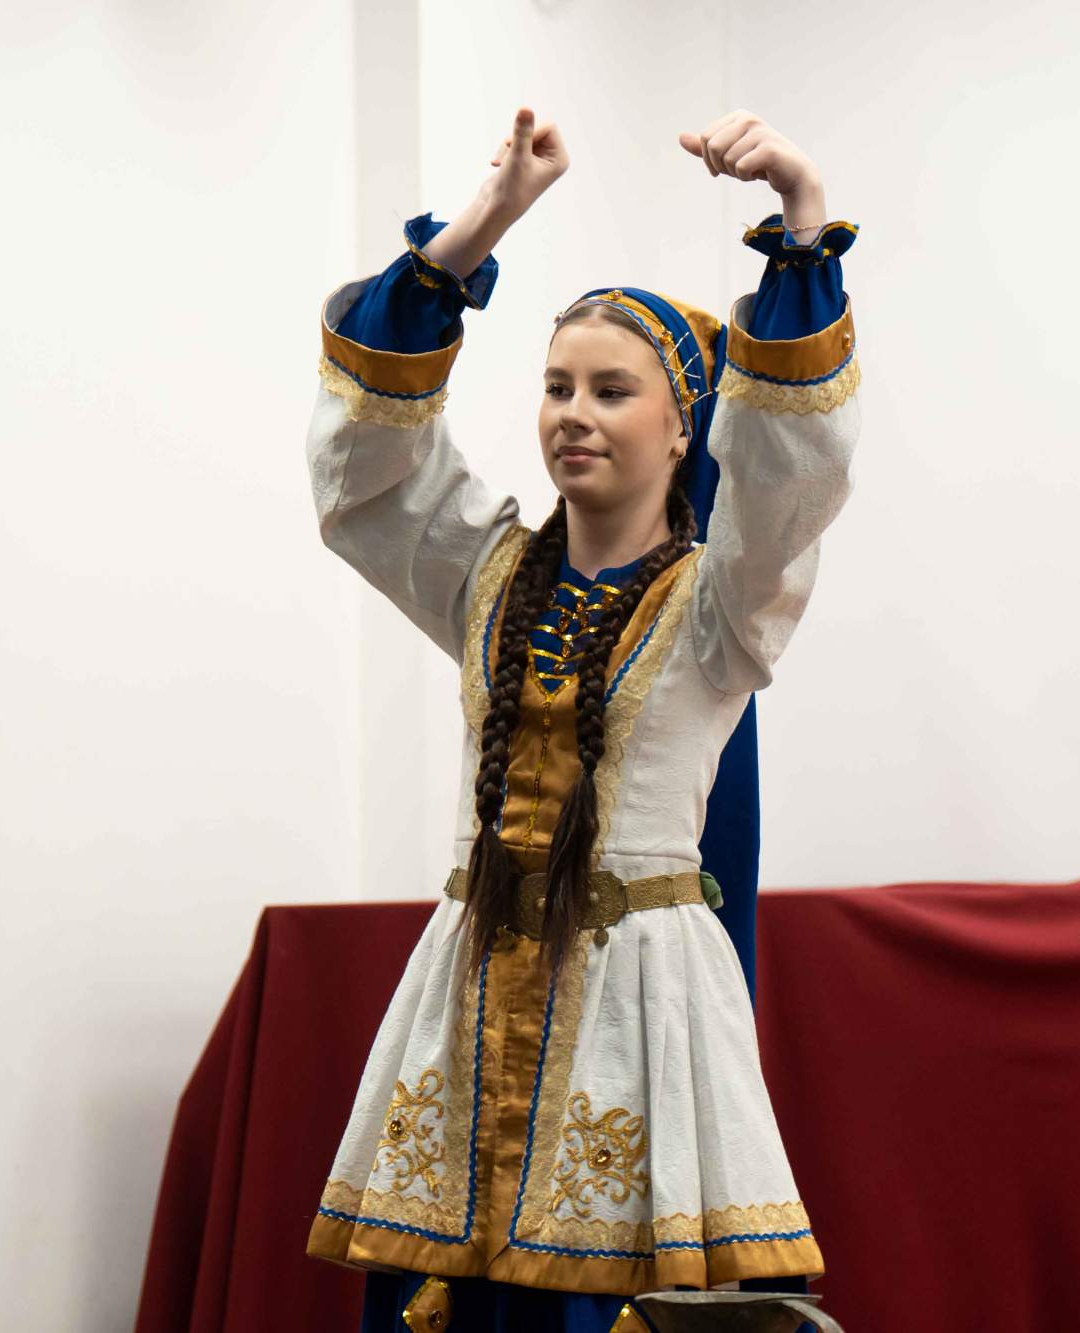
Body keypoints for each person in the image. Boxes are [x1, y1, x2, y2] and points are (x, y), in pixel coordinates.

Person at [302, 106, 861, 1332]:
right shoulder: (484, 572)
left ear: (683, 424)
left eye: (612, 390)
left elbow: (789, 479)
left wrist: (801, 218)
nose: (574, 412)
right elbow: (363, 479)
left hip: (638, 1008)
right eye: (557, 386)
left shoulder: (720, 605)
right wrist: (479, 225)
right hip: (471, 988)